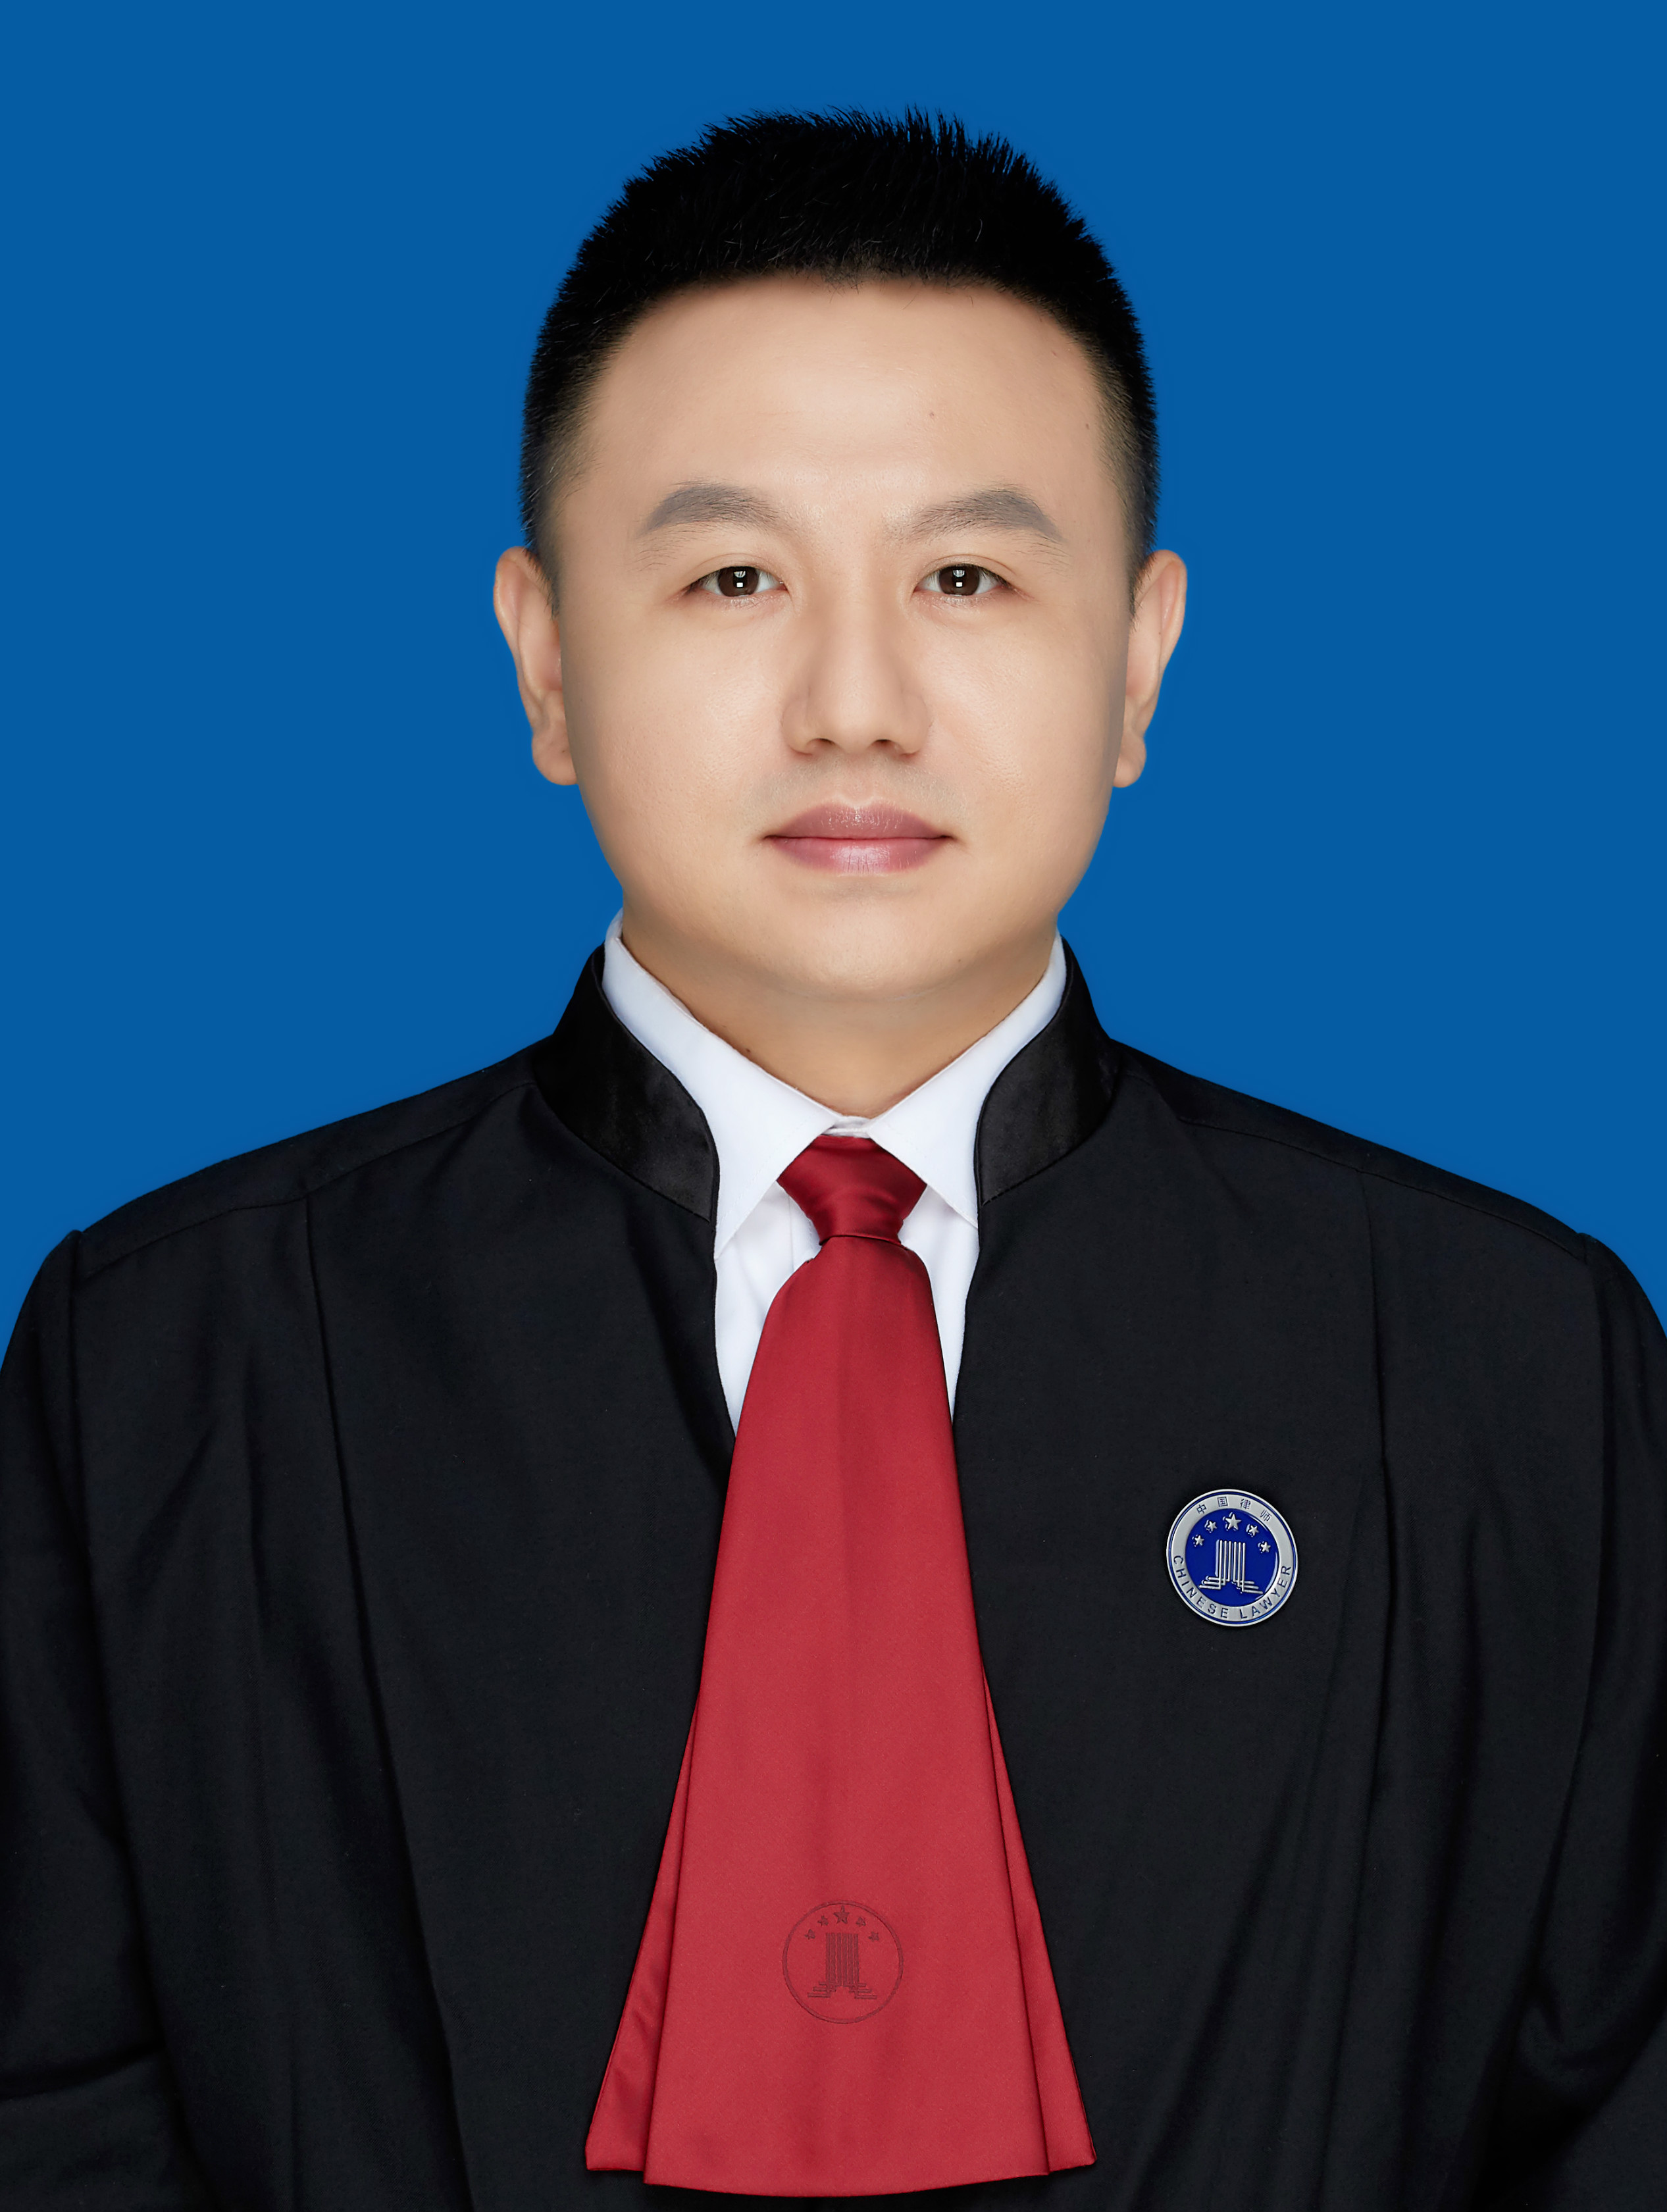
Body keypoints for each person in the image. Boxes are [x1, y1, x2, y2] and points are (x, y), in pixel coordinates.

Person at [2, 110, 1663, 2212]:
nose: (855, 704)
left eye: (966, 576)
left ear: (1139, 658)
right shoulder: (164, 1363)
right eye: (733, 577)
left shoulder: (1512, 1370)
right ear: (544, 657)